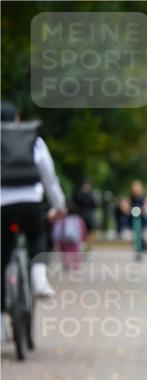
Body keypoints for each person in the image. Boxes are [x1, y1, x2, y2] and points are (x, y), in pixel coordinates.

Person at [1, 101, 66, 300]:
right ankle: (39, 278)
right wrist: (59, 206)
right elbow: (49, 177)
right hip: (31, 202)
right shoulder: (33, 139)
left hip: (2, 205)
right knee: (37, 234)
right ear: (18, 120)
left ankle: (1, 319)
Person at [72, 178, 98, 249]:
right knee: (80, 233)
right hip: (81, 217)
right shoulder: (79, 194)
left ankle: (89, 249)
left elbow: (95, 205)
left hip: (89, 217)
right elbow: (75, 204)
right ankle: (81, 248)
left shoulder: (92, 194)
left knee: (90, 234)